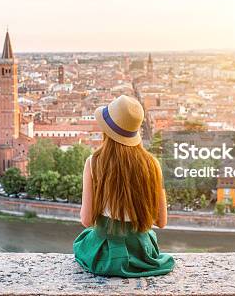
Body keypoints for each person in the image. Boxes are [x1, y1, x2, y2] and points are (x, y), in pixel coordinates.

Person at [73, 95, 175, 277]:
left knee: (84, 241)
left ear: (106, 131)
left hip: (106, 255)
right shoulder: (152, 164)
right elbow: (162, 221)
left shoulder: (93, 163)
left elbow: (86, 220)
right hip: (141, 254)